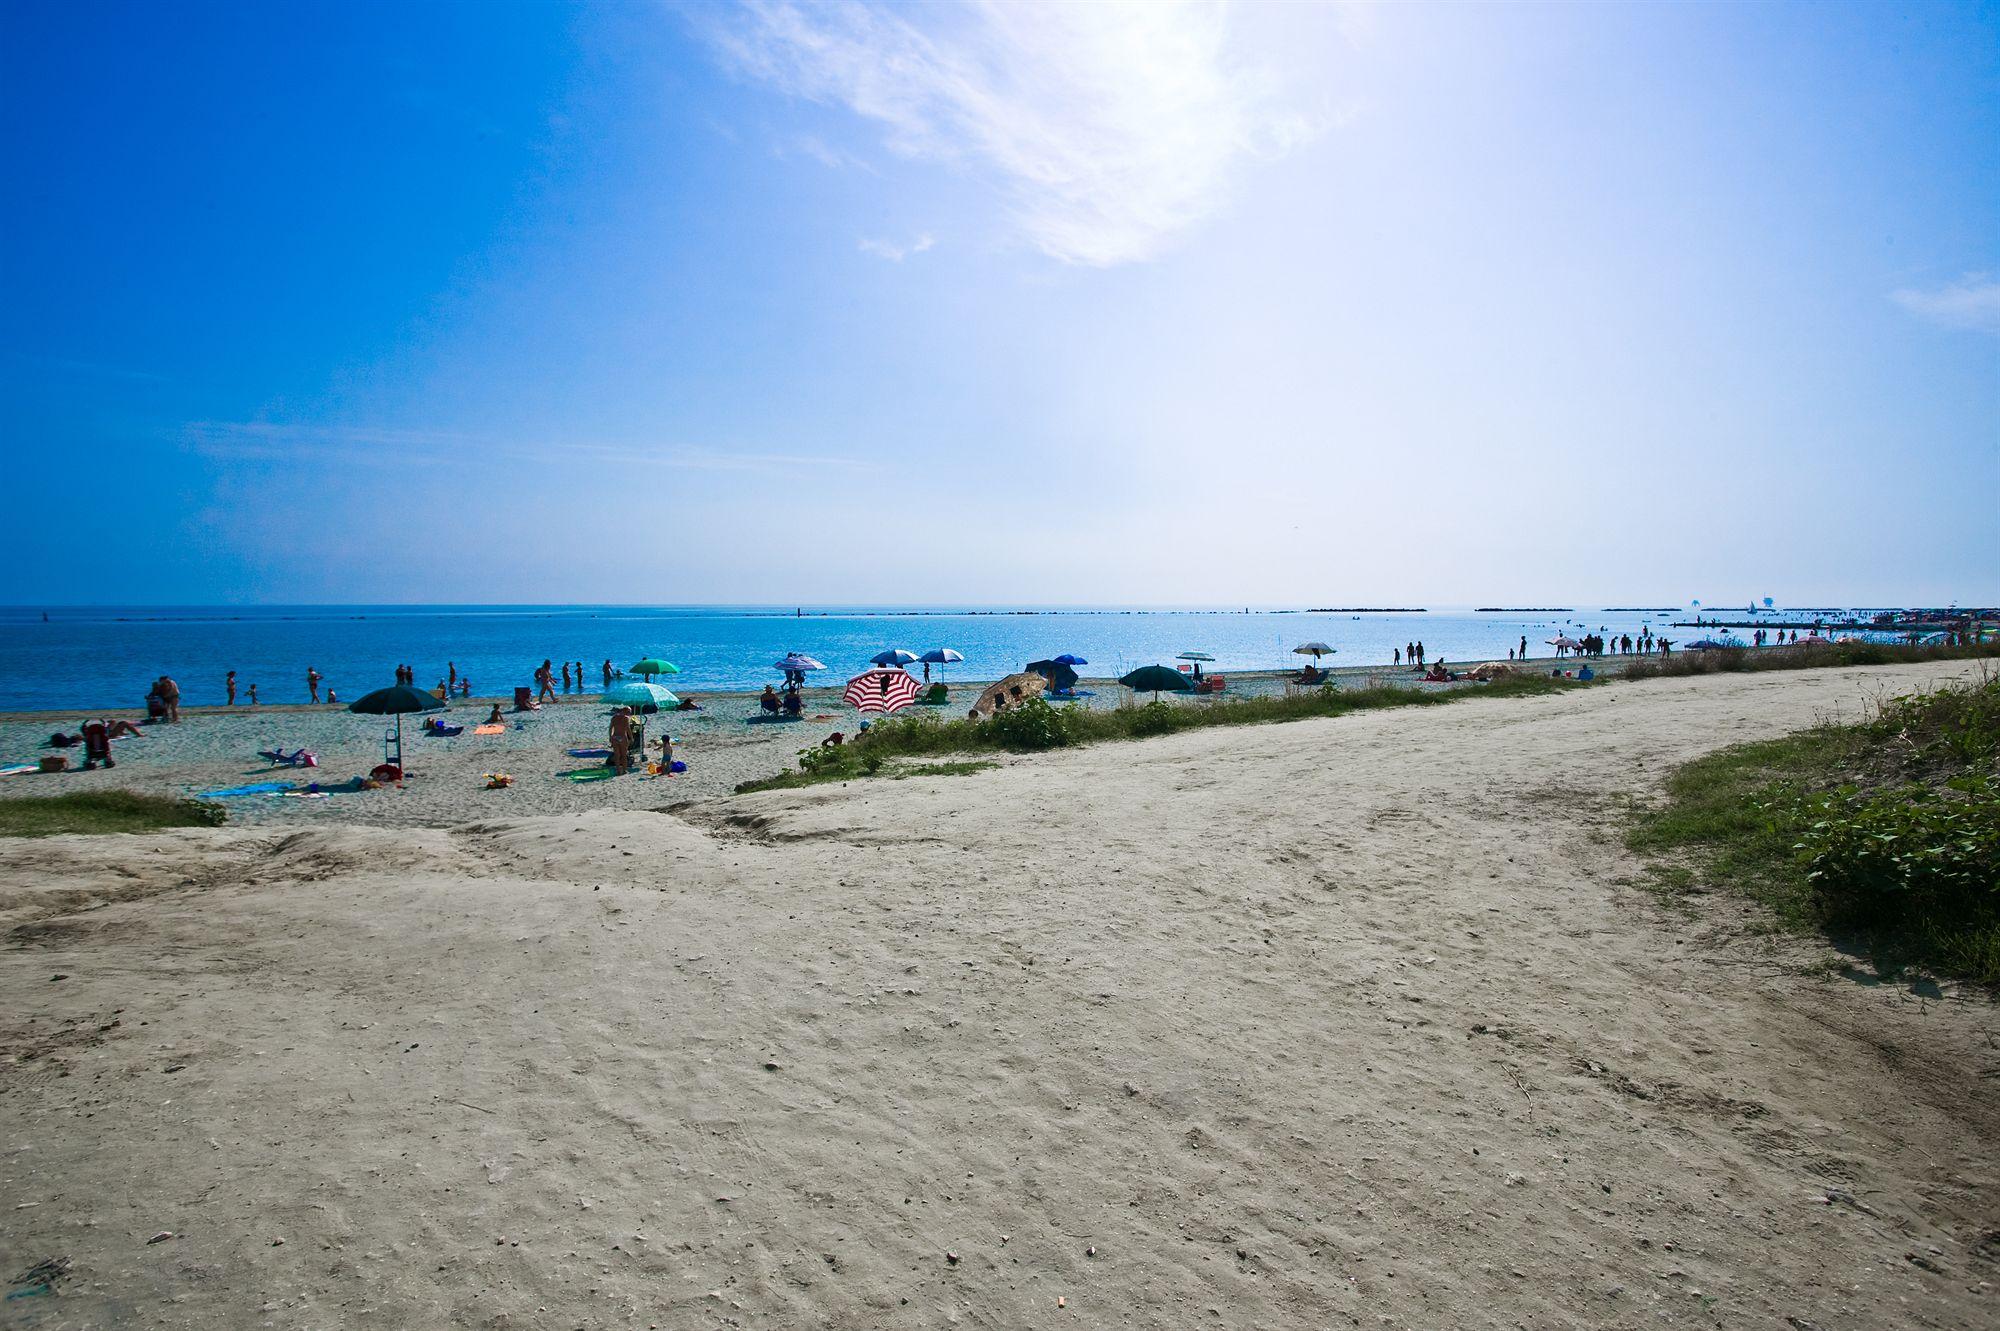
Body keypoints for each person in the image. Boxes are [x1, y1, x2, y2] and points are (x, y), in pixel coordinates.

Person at [609, 706, 633, 774]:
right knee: (624, 755)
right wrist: (631, 737)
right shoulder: (626, 718)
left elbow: (610, 728)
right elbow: (628, 729)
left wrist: (610, 736)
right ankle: (624, 770)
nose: (629, 713)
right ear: (625, 711)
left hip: (615, 737)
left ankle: (618, 770)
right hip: (622, 737)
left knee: (617, 755)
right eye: (629, 712)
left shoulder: (614, 717)